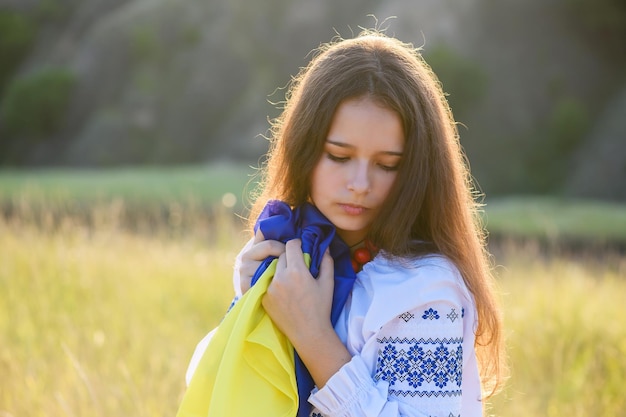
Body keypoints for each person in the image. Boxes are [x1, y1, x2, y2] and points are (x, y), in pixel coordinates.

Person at [185, 30, 506, 417]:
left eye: (387, 165)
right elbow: (212, 390)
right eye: (339, 156)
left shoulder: (423, 290)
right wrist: (247, 301)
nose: (359, 185)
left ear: (417, 172)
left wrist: (313, 337)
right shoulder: (294, 254)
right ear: (304, 150)